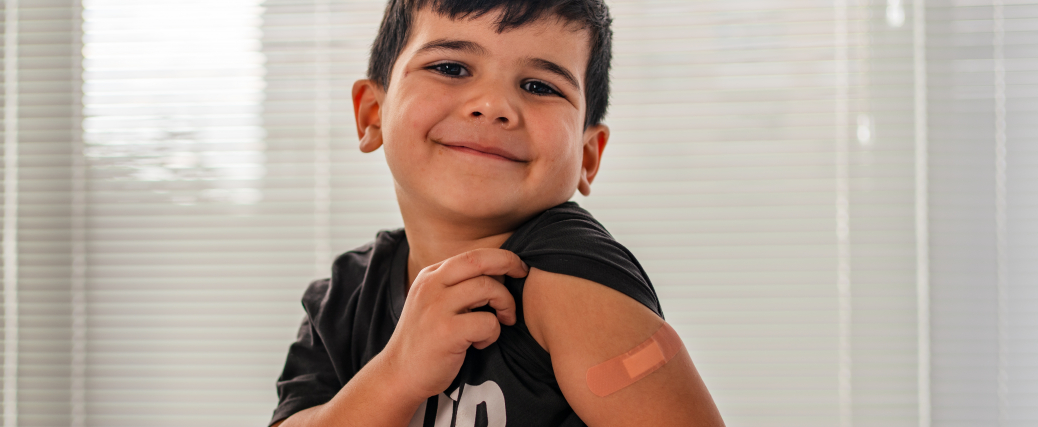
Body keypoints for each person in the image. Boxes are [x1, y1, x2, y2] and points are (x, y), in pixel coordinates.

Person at [270, 0, 724, 425]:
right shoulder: (340, 300)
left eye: (539, 86)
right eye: (450, 67)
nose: (493, 105)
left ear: (588, 156)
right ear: (372, 114)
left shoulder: (570, 281)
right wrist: (395, 374)